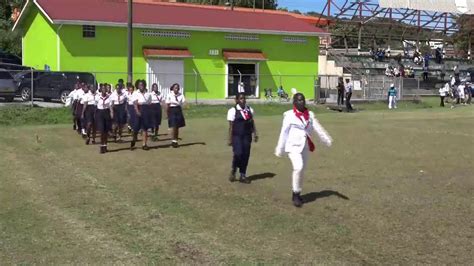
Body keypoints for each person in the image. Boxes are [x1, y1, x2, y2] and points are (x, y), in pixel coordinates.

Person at [274, 93, 333, 208]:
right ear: (294, 102)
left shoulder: (310, 115)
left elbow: (318, 128)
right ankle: (295, 195)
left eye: (303, 100)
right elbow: (284, 132)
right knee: (298, 167)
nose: (301, 102)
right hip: (293, 147)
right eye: (299, 100)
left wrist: (326, 139)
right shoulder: (289, 115)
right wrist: (279, 148)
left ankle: (297, 192)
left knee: (302, 170)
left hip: (304, 146)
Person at [227, 92, 258, 184]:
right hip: (236, 136)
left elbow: (252, 122)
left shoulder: (250, 110)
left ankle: (242, 175)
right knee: (238, 153)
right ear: (236, 100)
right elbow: (231, 126)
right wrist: (230, 138)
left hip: (247, 136)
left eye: (244, 98)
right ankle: (234, 169)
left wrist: (255, 133)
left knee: (245, 155)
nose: (243, 100)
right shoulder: (232, 111)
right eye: (240, 98)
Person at [131, 80, 152, 150]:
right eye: (140, 85)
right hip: (138, 108)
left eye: (142, 84)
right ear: (137, 85)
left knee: (145, 128)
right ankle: (134, 140)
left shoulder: (148, 94)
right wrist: (137, 111)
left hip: (145, 109)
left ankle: (144, 144)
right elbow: (135, 103)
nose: (141, 86)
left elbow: (149, 103)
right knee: (136, 128)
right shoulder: (135, 93)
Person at [166, 83, 186, 148]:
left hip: (178, 109)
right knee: (173, 125)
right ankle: (173, 140)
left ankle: (176, 140)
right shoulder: (169, 95)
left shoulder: (181, 95)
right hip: (172, 109)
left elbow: (184, 102)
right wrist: (167, 113)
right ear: (173, 88)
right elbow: (168, 104)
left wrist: (185, 106)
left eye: (177, 88)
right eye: (175, 87)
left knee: (177, 126)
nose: (176, 89)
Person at [96, 85, 114, 154]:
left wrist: (112, 113)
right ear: (100, 89)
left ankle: (105, 145)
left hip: (106, 113)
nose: (104, 89)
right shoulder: (98, 97)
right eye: (102, 88)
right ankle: (101, 146)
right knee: (101, 130)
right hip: (100, 113)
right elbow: (95, 105)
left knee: (106, 131)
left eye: (105, 88)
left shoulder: (109, 97)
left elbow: (110, 106)